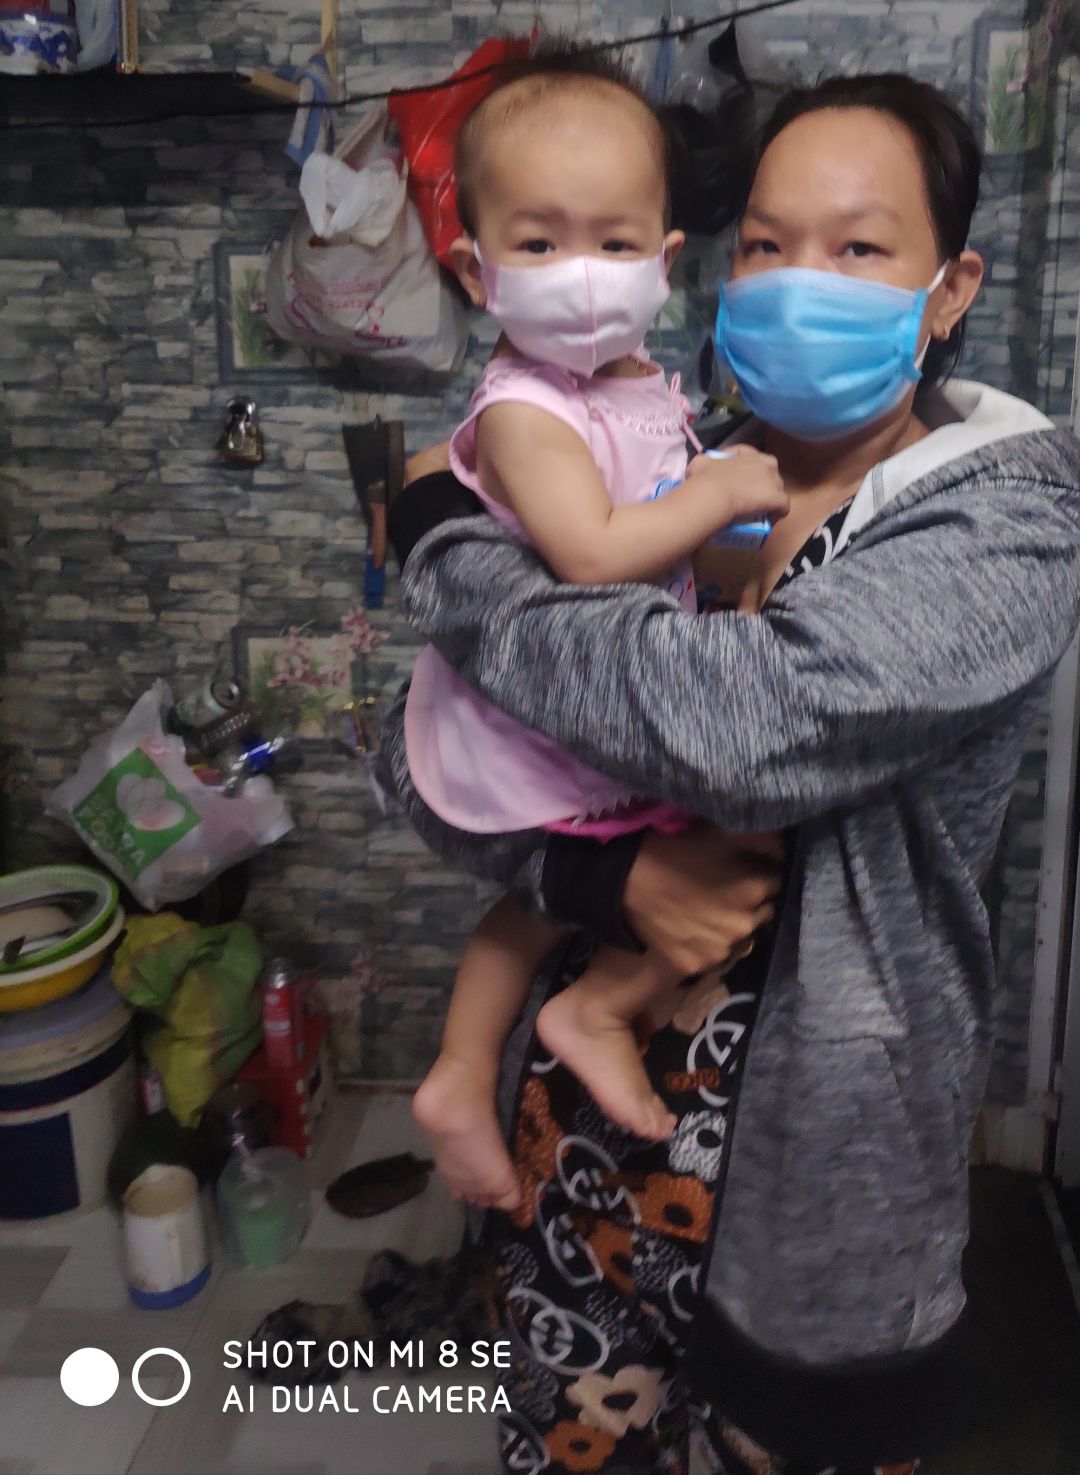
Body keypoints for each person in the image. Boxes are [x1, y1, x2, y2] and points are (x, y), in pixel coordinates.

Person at [378, 70, 1080, 1475]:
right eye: (766, 244)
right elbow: (433, 756)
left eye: (858, 246)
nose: (798, 281)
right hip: (584, 1121)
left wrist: (440, 532)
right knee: (575, 1444)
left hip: (813, 1191)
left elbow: (736, 725)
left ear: (949, 290)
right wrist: (595, 875)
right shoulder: (680, 455)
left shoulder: (1002, 522)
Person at [406, 44, 788, 1212]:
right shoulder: (522, 409)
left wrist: (738, 550)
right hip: (534, 717)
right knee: (544, 898)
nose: (580, 274)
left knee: (664, 875)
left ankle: (568, 1020)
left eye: (615, 242)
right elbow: (590, 550)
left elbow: (660, 535)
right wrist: (719, 494)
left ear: (664, 261)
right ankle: (477, 1063)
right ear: (476, 268)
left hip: (602, 705)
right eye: (538, 242)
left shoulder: (645, 386)